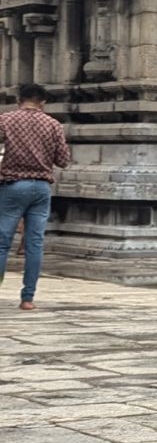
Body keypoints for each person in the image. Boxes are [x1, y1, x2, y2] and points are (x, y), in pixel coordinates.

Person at [0, 84, 70, 310]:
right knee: (34, 244)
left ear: (19, 99)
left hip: (12, 185)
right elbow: (63, 160)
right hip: (41, 188)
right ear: (43, 102)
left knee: (2, 243)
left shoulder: (6, 120)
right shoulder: (53, 124)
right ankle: (27, 298)